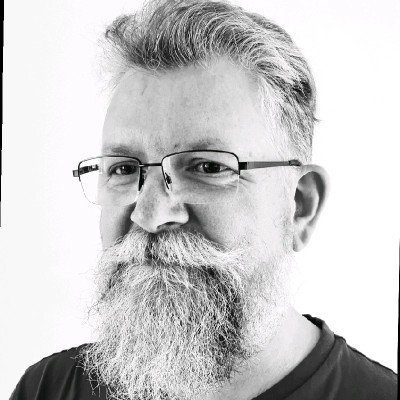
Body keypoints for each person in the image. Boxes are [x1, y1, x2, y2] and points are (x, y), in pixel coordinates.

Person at [10, 0, 397, 399]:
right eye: (123, 169)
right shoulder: (47, 388)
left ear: (299, 206)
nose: (149, 215)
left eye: (207, 168)